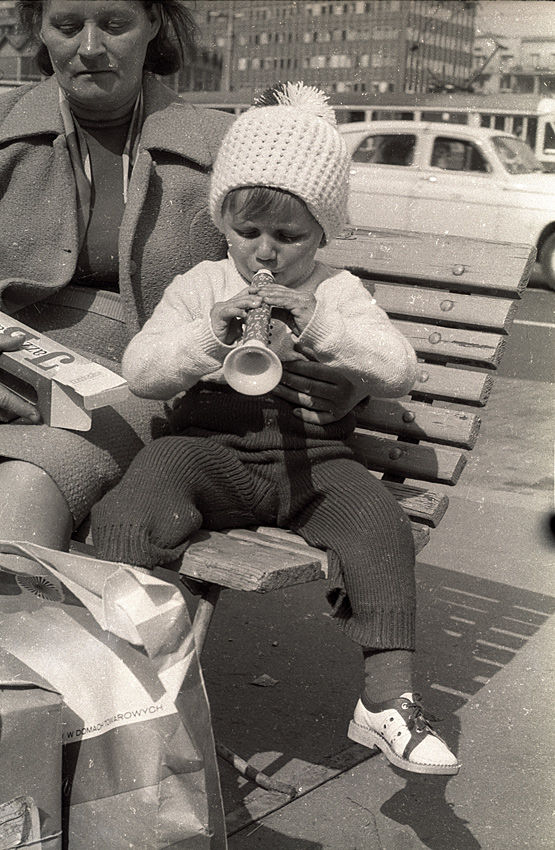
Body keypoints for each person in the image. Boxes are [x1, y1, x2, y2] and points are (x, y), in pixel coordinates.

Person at [91, 83, 460, 776]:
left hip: (310, 461)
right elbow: (141, 372)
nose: (264, 254)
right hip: (212, 454)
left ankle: (387, 698)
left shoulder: (336, 288)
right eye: (246, 232)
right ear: (222, 222)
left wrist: (317, 320)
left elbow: (397, 367)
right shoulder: (202, 284)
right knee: (142, 493)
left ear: (322, 232)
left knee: (376, 516)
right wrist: (209, 333)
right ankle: (125, 675)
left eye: (288, 237)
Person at [0, 1, 358, 578]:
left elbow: (307, 278)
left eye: (115, 25)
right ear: (39, 29)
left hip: (141, 387)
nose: (88, 47)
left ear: (154, 25)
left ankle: (27, 661)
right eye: (66, 27)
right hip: (9, 370)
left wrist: (345, 383)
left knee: (31, 478)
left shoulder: (226, 145)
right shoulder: (4, 125)